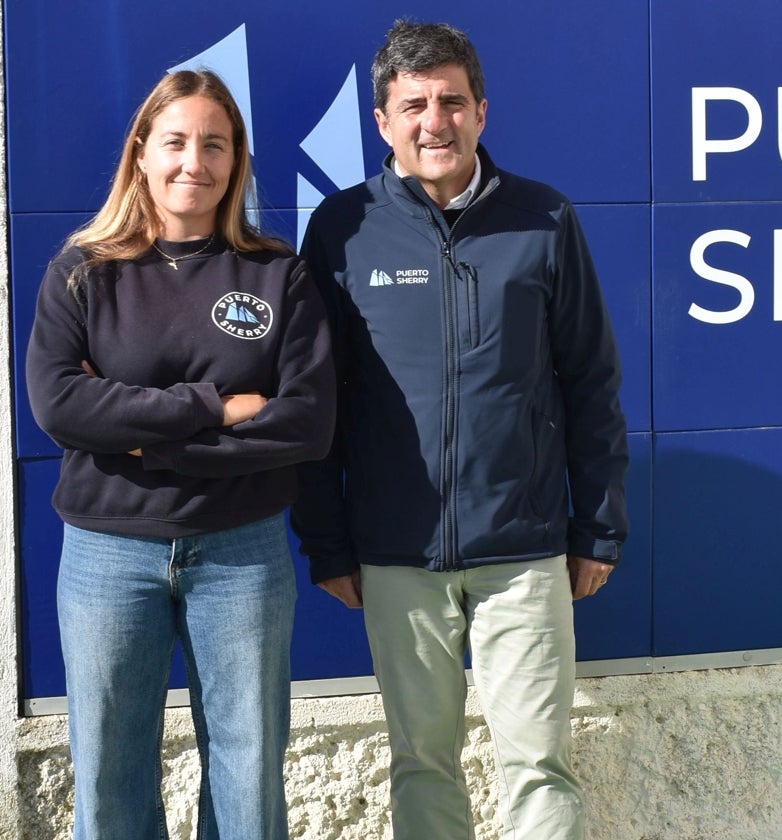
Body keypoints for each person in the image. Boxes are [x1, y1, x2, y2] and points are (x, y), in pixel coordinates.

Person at [292, 19, 629, 840]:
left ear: (482, 111)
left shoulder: (544, 218)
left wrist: (599, 528)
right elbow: (314, 401)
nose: (433, 122)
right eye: (414, 106)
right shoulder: (341, 231)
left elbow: (591, 381)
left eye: (451, 102)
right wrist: (330, 544)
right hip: (397, 555)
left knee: (540, 767)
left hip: (523, 552)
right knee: (421, 766)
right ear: (383, 121)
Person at [25, 69, 336, 839]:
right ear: (141, 152)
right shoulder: (83, 273)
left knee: (249, 762)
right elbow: (59, 404)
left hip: (241, 550)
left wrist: (141, 441)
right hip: (108, 553)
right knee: (108, 767)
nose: (193, 161)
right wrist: (213, 408)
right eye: (175, 141)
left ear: (236, 162)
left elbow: (305, 424)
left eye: (214, 145)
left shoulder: (278, 273)